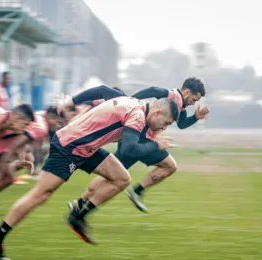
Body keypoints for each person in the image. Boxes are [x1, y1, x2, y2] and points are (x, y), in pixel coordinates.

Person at [0, 95, 179, 259]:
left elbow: (103, 91)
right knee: (40, 195)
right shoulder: (137, 115)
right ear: (158, 112)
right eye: (166, 123)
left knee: (121, 178)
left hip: (86, 147)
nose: (164, 128)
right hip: (69, 146)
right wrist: (156, 145)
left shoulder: (134, 103)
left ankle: (78, 216)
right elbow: (128, 150)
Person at [75, 77, 209, 213]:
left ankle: (81, 202)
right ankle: (137, 191)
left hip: (133, 138)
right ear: (186, 92)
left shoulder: (180, 105)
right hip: (143, 140)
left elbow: (181, 124)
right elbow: (152, 90)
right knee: (170, 166)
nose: (193, 104)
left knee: (112, 173)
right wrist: (131, 101)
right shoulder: (169, 95)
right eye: (194, 100)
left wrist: (195, 118)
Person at [0, 107, 63, 212]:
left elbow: (21, 140)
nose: (59, 126)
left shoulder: (40, 116)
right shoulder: (41, 127)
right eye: (57, 122)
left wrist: (21, 159)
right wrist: (3, 161)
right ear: (49, 117)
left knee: (5, 179)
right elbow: (17, 143)